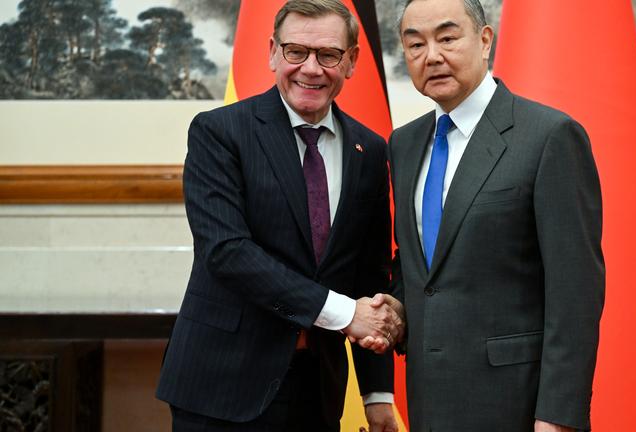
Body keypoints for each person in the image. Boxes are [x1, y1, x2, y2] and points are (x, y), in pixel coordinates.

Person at [155, 1, 402, 431]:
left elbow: (370, 275)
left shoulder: (370, 149)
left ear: (351, 61)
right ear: (272, 52)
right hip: (223, 385)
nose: (311, 68)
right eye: (295, 52)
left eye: (328, 55)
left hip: (317, 389)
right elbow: (228, 252)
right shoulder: (220, 132)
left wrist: (377, 394)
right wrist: (344, 314)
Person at [379, 0, 605, 430]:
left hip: (516, 408)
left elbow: (575, 292)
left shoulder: (549, 136)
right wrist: (396, 311)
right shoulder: (403, 145)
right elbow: (424, 270)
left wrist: (558, 417)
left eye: (447, 38)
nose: (433, 56)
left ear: (485, 41)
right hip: (428, 404)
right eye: (415, 44)